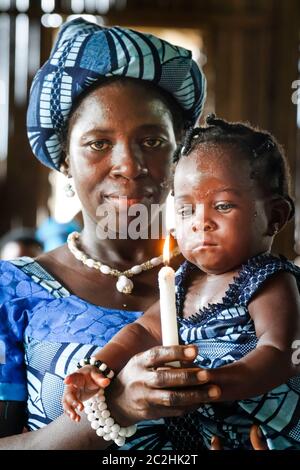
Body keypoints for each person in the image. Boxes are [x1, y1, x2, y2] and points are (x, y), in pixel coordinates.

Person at [0, 17, 211, 449]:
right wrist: (112, 407)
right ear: (63, 159)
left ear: (180, 153)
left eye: (152, 141)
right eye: (98, 143)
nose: (129, 166)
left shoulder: (235, 280)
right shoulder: (14, 292)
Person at [63, 115, 300, 450]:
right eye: (187, 210)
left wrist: (207, 383)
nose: (201, 223)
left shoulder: (269, 281)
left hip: (269, 433)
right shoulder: (181, 282)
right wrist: (100, 366)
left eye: (222, 206)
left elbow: (279, 355)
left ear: (274, 216)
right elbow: (144, 331)